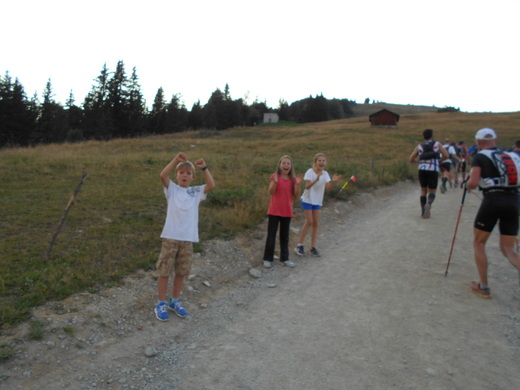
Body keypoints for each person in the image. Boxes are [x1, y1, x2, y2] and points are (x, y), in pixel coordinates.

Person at [154, 152, 216, 321]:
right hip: (170, 237)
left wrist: (204, 168)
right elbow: (162, 175)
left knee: (181, 272)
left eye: (188, 173)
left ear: (192, 177)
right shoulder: (172, 189)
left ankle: (175, 301)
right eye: (181, 172)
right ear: (177, 175)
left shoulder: (196, 192)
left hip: (187, 238)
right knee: (164, 271)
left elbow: (211, 184)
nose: (184, 175)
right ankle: (160, 303)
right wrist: (175, 160)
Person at [466, 128, 520, 298]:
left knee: (479, 243)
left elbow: (473, 182)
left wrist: (467, 185)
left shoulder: (480, 157)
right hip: (514, 199)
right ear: (495, 140)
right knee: (508, 249)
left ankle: (484, 286)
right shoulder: (513, 155)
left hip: (493, 200)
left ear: (478, 142)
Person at [295, 153, 342, 257]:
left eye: (323, 161)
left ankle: (313, 247)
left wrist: (333, 182)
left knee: (316, 223)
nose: (322, 162)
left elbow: (329, 189)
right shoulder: (309, 172)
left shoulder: (325, 174)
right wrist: (316, 179)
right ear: (315, 162)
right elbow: (307, 187)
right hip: (307, 200)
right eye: (319, 160)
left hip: (317, 201)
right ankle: (300, 245)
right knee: (309, 221)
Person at [262, 156, 303, 268]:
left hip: (287, 211)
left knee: (284, 236)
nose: (286, 165)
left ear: (291, 166)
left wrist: (297, 184)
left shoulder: (293, 179)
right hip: (274, 210)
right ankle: (267, 258)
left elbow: (296, 194)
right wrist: (275, 182)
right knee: (271, 235)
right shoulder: (275, 176)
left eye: (288, 163)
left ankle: (284, 258)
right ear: (280, 165)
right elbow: (271, 192)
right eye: (284, 163)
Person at [408, 129, 448, 218]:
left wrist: (418, 161)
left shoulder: (419, 146)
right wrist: (440, 161)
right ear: (432, 136)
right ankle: (429, 204)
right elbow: (446, 155)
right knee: (432, 190)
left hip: (422, 169)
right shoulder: (437, 144)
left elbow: (410, 159)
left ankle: (423, 212)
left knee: (423, 190)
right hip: (433, 169)